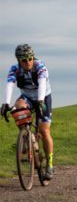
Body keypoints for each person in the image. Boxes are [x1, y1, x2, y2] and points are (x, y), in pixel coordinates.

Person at [0, 44, 54, 180]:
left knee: (44, 131)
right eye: (24, 60)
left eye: (30, 58)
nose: (28, 62)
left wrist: (41, 101)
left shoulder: (40, 66)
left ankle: (50, 164)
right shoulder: (15, 69)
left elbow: (42, 83)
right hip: (27, 97)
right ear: (19, 60)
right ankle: (25, 136)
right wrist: (6, 103)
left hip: (44, 97)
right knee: (18, 108)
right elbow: (10, 84)